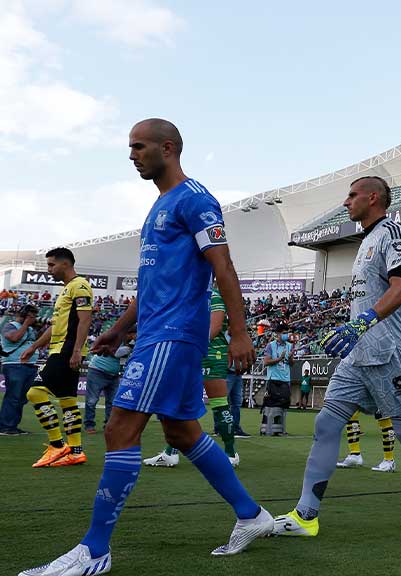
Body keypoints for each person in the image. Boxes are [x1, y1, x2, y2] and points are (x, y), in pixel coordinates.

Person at [19, 119, 272, 576]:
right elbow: (153, 283)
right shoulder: (160, 206)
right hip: (154, 330)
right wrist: (118, 328)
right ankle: (252, 515)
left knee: (119, 428)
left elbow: (223, 264)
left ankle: (95, 551)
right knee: (181, 433)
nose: (131, 154)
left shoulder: (194, 199)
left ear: (167, 148)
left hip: (173, 334)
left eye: (138, 146)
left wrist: (239, 331)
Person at [272, 176, 401, 538]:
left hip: (389, 354)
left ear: (373, 198)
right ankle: (306, 515)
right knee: (326, 423)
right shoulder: (366, 241)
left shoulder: (393, 234)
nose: (346, 202)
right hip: (359, 356)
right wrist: (350, 328)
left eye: (352, 195)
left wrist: (363, 323)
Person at [144, 287, 241, 467]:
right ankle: (170, 453)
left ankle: (230, 453)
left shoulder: (214, 296)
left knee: (219, 404)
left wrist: (194, 345)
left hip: (211, 355)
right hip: (190, 353)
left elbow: (215, 326)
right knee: (178, 403)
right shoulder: (190, 294)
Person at [19, 247, 93, 468]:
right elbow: (55, 326)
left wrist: (77, 350)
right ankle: (76, 451)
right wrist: (34, 347)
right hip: (61, 348)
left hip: (66, 349)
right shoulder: (68, 289)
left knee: (35, 393)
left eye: (52, 265)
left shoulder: (79, 285)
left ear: (65, 264)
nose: (49, 269)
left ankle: (58, 445)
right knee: (68, 401)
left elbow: (85, 320)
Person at [0, 304, 39, 435]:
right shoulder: (10, 325)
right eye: (31, 316)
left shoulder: (30, 329)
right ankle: (5, 426)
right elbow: (14, 338)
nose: (34, 318)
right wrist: (26, 324)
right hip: (14, 364)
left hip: (29, 366)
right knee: (13, 396)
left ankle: (13, 426)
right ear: (24, 315)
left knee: (22, 398)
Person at [83, 346, 123, 434]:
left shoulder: (130, 342)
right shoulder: (115, 337)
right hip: (97, 370)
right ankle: (89, 425)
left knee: (112, 402)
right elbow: (116, 353)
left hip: (114, 374)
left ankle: (109, 425)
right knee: (91, 401)